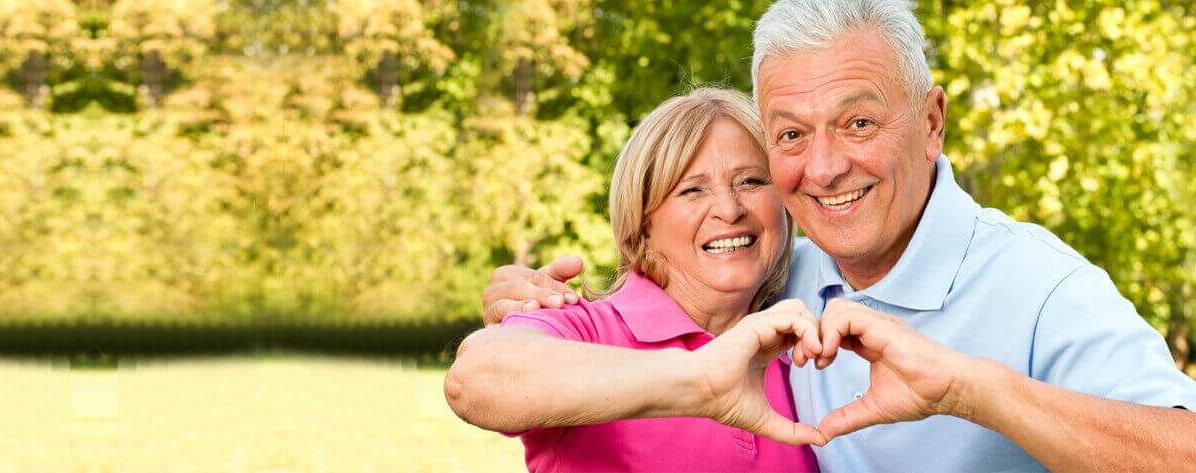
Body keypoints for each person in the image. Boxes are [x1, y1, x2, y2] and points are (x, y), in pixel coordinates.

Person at [480, 0, 1196, 471]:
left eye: (858, 123)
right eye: (791, 134)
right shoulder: (775, 281)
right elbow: (495, 374)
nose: (824, 168)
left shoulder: (1041, 285)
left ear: (932, 123)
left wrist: (970, 389)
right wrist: (522, 303)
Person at [444, 88, 823, 472]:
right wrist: (700, 380)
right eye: (692, 190)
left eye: (751, 181)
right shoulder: (586, 328)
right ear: (642, 222)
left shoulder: (801, 337)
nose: (729, 209)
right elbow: (474, 379)